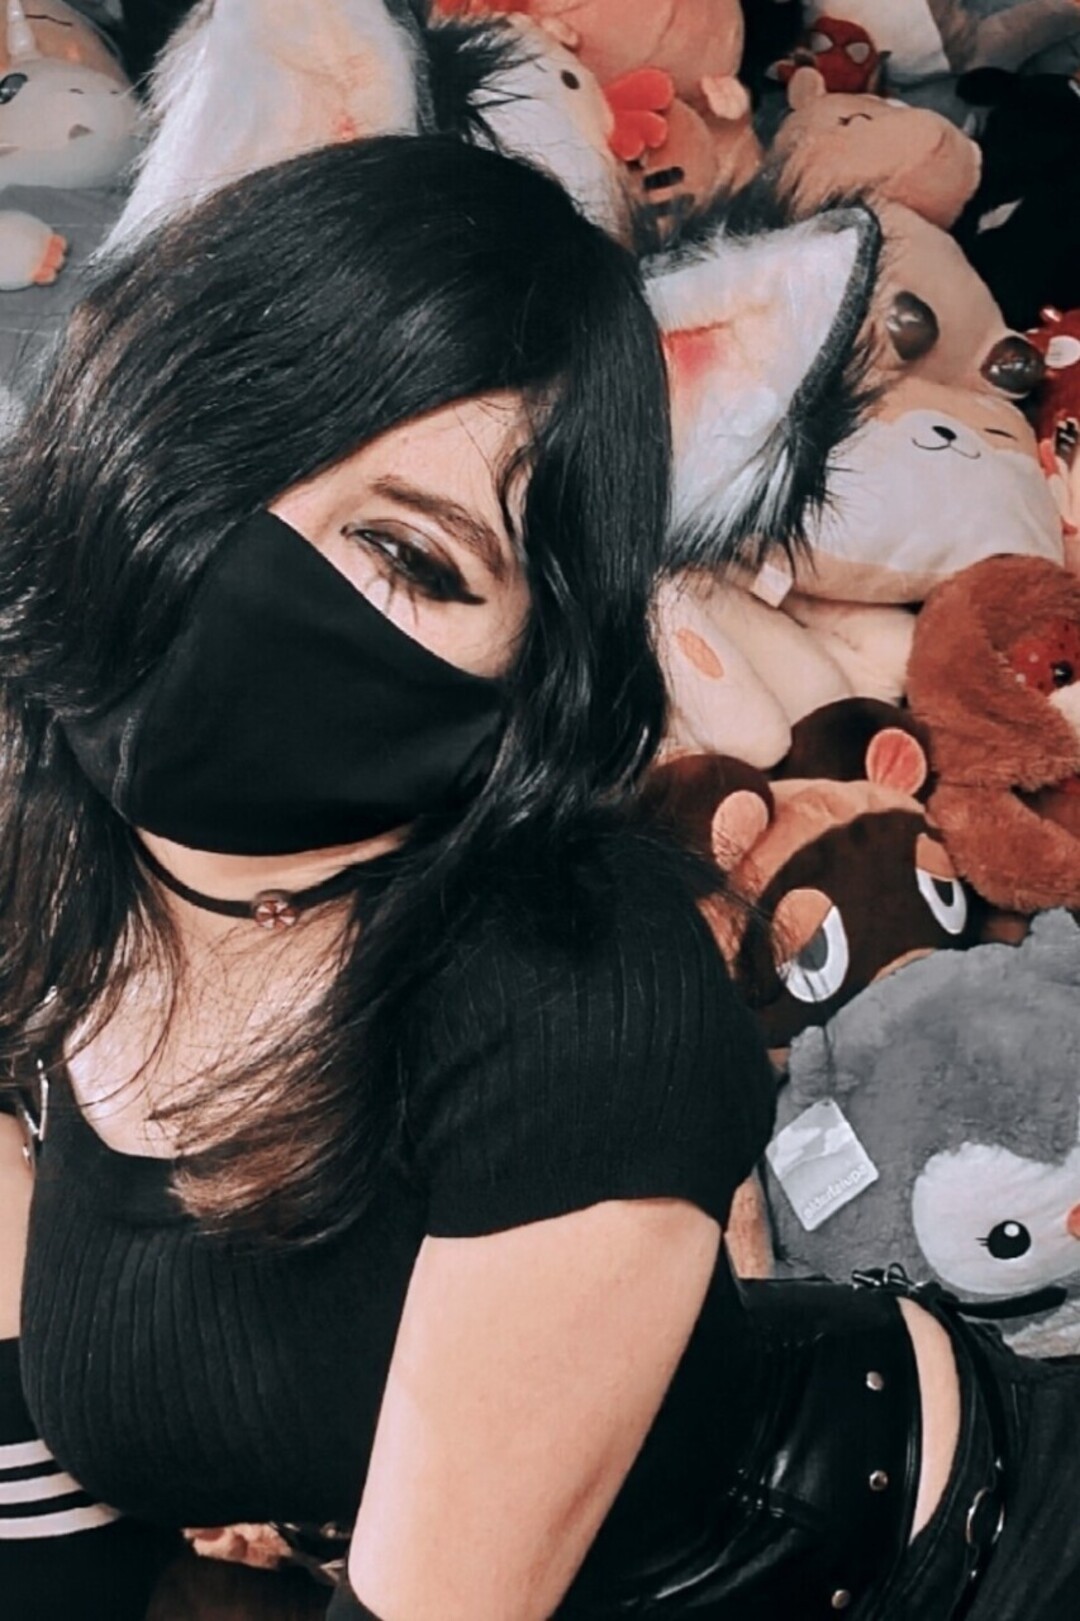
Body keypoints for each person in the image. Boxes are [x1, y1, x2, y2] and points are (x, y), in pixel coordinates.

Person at [0, 134, 1076, 1621]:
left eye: (411, 557)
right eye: (228, 444)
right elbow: (37, 1480)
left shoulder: (574, 990)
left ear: (531, 678)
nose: (244, 563)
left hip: (937, 1561)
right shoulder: (55, 864)